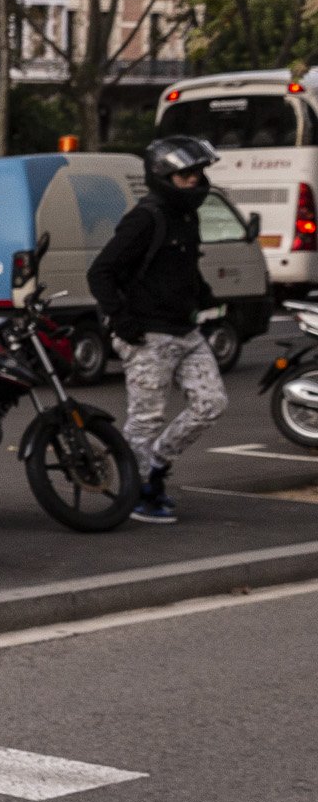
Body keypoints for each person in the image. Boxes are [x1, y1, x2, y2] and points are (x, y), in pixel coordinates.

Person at [93, 133, 229, 524]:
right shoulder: (145, 218)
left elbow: (183, 266)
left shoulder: (187, 216)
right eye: (187, 175)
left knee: (211, 404)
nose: (196, 181)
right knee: (145, 419)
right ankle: (137, 492)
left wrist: (204, 297)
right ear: (162, 176)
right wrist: (122, 319)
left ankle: (156, 465)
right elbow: (101, 271)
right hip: (148, 334)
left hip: (185, 330)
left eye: (199, 173)